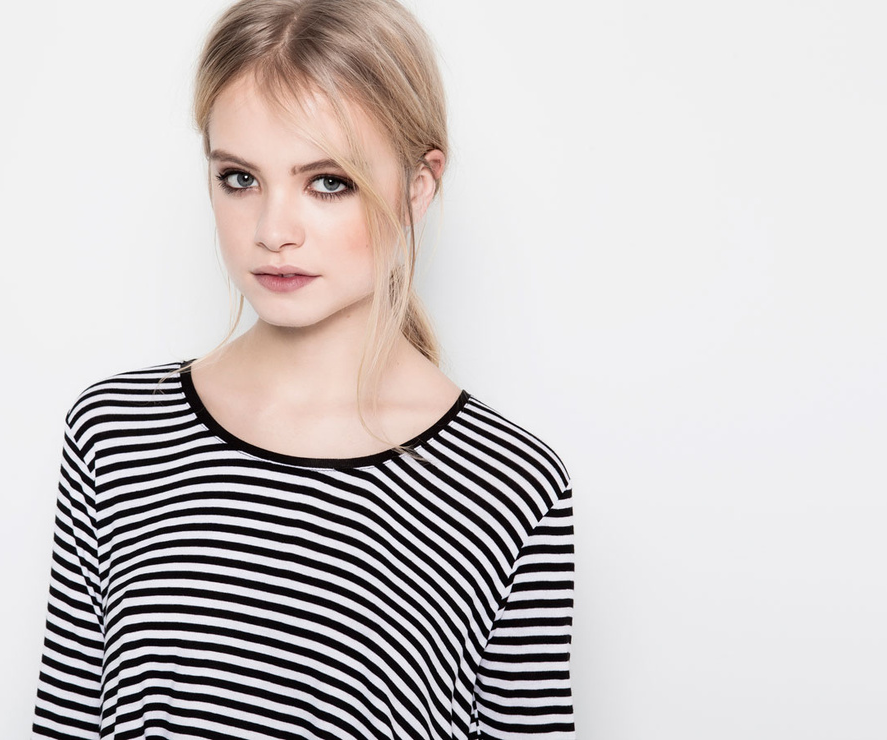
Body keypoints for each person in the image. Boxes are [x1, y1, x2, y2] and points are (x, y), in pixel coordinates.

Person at [28, 1, 576, 738]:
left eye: (328, 182)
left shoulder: (507, 483)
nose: (273, 230)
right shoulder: (117, 431)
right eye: (239, 178)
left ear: (419, 185)